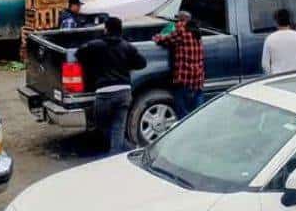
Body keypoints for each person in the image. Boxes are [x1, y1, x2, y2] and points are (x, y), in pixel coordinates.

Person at [77, 16, 146, 154]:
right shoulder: (128, 47)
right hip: (124, 93)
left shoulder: (95, 45)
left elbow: (79, 54)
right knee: (117, 128)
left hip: (103, 94)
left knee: (103, 127)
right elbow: (142, 63)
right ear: (120, 30)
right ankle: (128, 151)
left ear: (106, 29)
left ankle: (117, 156)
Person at [153, 11, 205, 119]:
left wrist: (156, 37)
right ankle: (199, 119)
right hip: (198, 75)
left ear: (180, 19)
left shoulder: (181, 29)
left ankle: (184, 123)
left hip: (185, 75)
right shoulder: (197, 31)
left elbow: (164, 40)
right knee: (198, 99)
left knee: (180, 102)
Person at [262, 8, 296, 74]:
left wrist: (270, 75)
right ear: (290, 21)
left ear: (276, 22)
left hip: (277, 79)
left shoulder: (269, 39)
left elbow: (265, 65)